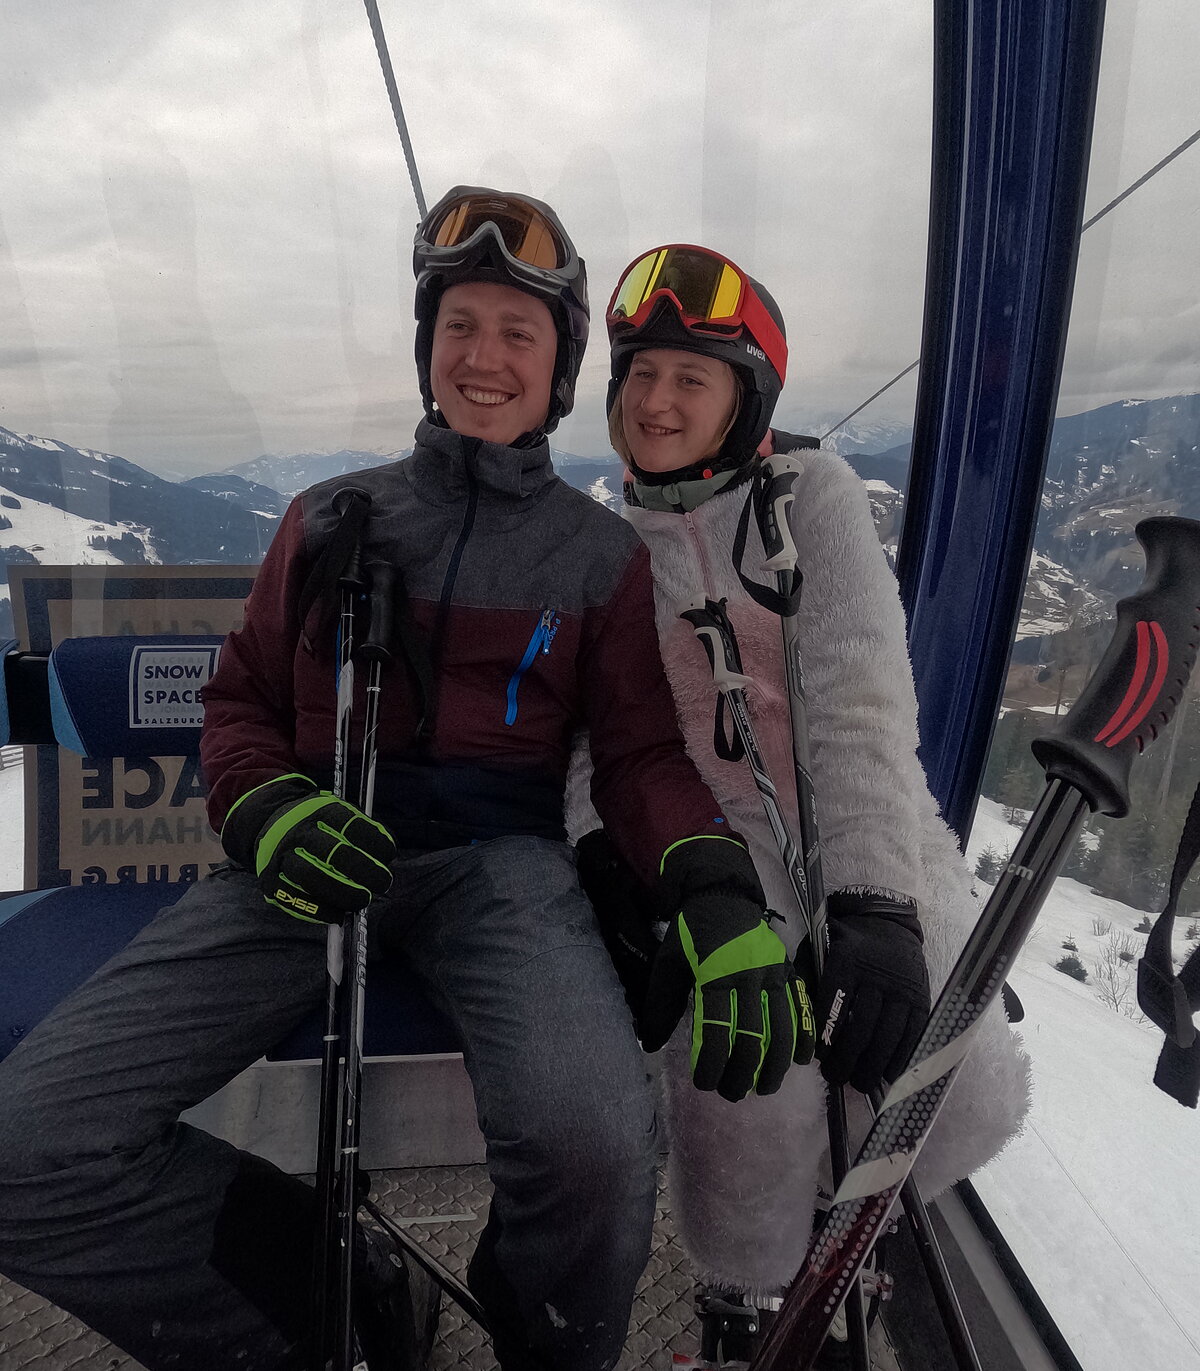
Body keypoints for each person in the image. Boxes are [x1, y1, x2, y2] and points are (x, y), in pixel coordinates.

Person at [0, 195, 817, 1371]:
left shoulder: (595, 561)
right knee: (25, 1149)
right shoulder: (329, 520)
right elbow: (238, 705)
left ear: (560, 368)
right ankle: (328, 1296)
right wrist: (267, 811)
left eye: (519, 333)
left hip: (501, 873)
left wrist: (716, 889)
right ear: (428, 347)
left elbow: (639, 757)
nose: (485, 355)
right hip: (302, 860)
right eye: (460, 325)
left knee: (596, 1148)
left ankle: (540, 1335)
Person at [568, 243, 1033, 1347]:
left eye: (692, 377)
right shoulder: (605, 551)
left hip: (868, 821)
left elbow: (862, 703)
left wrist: (874, 903)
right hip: (714, 847)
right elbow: (589, 747)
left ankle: (847, 1222)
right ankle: (748, 1294)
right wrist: (614, 859)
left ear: (747, 398)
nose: (657, 401)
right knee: (748, 1085)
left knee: (961, 1085)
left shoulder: (809, 498)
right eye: (641, 374)